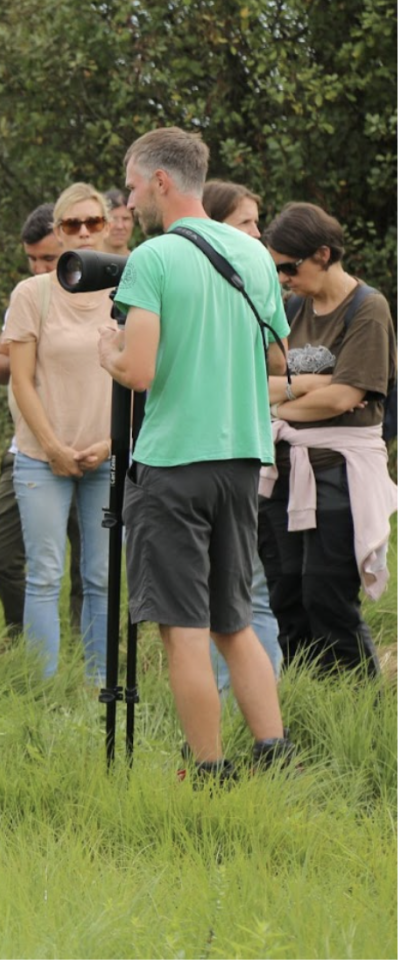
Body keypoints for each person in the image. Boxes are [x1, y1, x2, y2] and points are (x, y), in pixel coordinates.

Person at [98, 126, 292, 783]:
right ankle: (275, 751)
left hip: (173, 462)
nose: (130, 200)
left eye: (131, 185)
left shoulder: (154, 258)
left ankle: (210, 770)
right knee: (234, 619)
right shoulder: (255, 255)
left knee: (182, 625)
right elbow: (275, 355)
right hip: (242, 455)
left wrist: (110, 354)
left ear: (159, 181)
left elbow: (141, 371)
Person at [260, 202, 396, 677]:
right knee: (286, 594)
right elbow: (257, 381)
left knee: (327, 594)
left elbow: (346, 397)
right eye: (275, 268)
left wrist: (280, 403)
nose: (282, 278)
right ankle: (302, 700)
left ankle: (359, 704)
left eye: (288, 267)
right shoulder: (290, 307)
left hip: (338, 471)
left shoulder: (368, 308)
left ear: (322, 254)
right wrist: (317, 389)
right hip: (284, 467)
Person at [4, 184, 115, 683]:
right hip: (40, 455)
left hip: (108, 454)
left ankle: (100, 684)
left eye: (93, 222)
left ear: (109, 225)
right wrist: (51, 446)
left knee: (101, 577)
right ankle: (42, 689)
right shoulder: (33, 293)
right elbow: (20, 379)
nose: (84, 232)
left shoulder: (131, 289)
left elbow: (148, 377)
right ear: (58, 230)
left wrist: (114, 442)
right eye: (73, 225)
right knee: (44, 575)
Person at [0, 204, 83, 638]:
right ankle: (21, 631)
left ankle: (86, 651)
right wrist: (32, 349)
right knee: (0, 556)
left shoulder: (100, 294)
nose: (41, 267)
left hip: (89, 442)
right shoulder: (28, 296)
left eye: (48, 258)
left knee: (90, 566)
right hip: (29, 445)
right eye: (33, 259)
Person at [203, 181, 282, 688]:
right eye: (245, 223)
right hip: (205, 454)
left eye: (258, 221)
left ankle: (250, 701)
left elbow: (278, 363)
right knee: (221, 592)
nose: (257, 233)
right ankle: (226, 700)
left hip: (242, 455)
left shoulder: (258, 278)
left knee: (246, 589)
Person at [102, 189, 134, 256]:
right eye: (113, 219)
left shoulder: (140, 263)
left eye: (125, 219)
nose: (120, 226)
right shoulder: (89, 264)